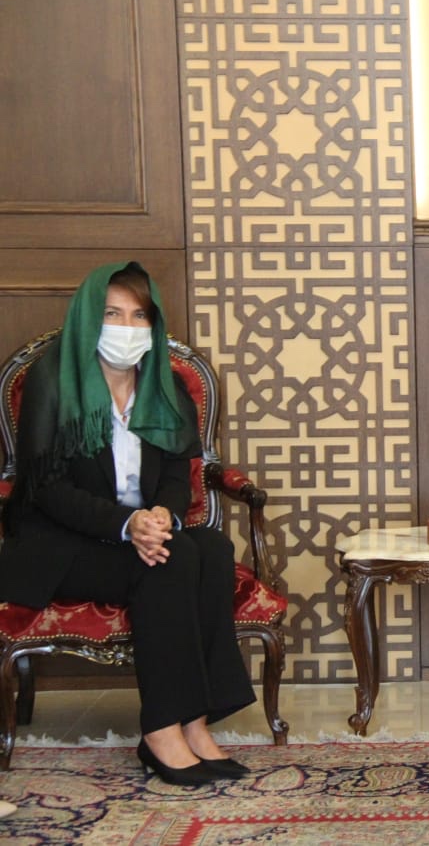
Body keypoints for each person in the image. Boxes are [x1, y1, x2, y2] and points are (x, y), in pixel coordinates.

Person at [0, 262, 256, 786]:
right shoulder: (53, 381)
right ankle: (161, 729)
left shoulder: (163, 385)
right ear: (88, 318)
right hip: (61, 543)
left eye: (139, 315)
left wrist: (162, 514)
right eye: (112, 314)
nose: (127, 327)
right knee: (174, 560)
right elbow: (45, 489)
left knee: (211, 548)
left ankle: (195, 721)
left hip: (140, 533)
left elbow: (176, 473)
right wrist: (128, 523)